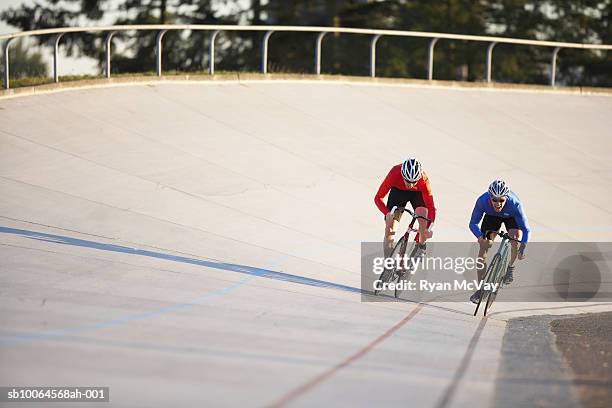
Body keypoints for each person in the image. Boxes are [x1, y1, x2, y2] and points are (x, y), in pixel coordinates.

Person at [468, 179, 530, 304]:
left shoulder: (515, 204)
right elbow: (473, 223)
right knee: (483, 248)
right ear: (489, 197)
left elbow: (526, 230)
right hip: (491, 217)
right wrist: (480, 237)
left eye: (501, 200)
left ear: (506, 197)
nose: (498, 204)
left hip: (510, 217)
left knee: (515, 239)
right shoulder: (482, 201)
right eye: (494, 200)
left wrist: (522, 248)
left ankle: (510, 268)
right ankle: (481, 288)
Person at [374, 158, 436, 260]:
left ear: (419, 178)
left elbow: (431, 208)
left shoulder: (424, 180)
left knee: (423, 216)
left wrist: (427, 230)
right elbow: (378, 198)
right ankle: (388, 264)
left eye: (414, 182)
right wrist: (387, 213)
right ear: (402, 175)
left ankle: (420, 245)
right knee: (390, 228)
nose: (410, 185)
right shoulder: (394, 172)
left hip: (417, 194)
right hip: (398, 192)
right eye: (407, 181)